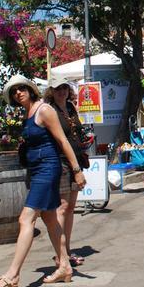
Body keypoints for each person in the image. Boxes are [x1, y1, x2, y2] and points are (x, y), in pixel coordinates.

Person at [0, 75, 86, 287]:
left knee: (26, 219)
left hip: (48, 169)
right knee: (50, 218)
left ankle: (12, 275)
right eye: (14, 92)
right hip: (37, 169)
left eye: (21, 89)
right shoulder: (28, 112)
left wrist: (77, 171)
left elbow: (62, 140)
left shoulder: (44, 110)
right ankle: (64, 266)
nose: (18, 93)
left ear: (31, 89)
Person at [44, 77, 89, 267]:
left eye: (64, 87)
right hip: (60, 162)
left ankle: (67, 251)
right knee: (61, 208)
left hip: (75, 161)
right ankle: (60, 254)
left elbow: (74, 131)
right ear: (51, 91)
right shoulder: (50, 110)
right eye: (57, 88)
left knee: (70, 208)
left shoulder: (70, 107)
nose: (61, 91)